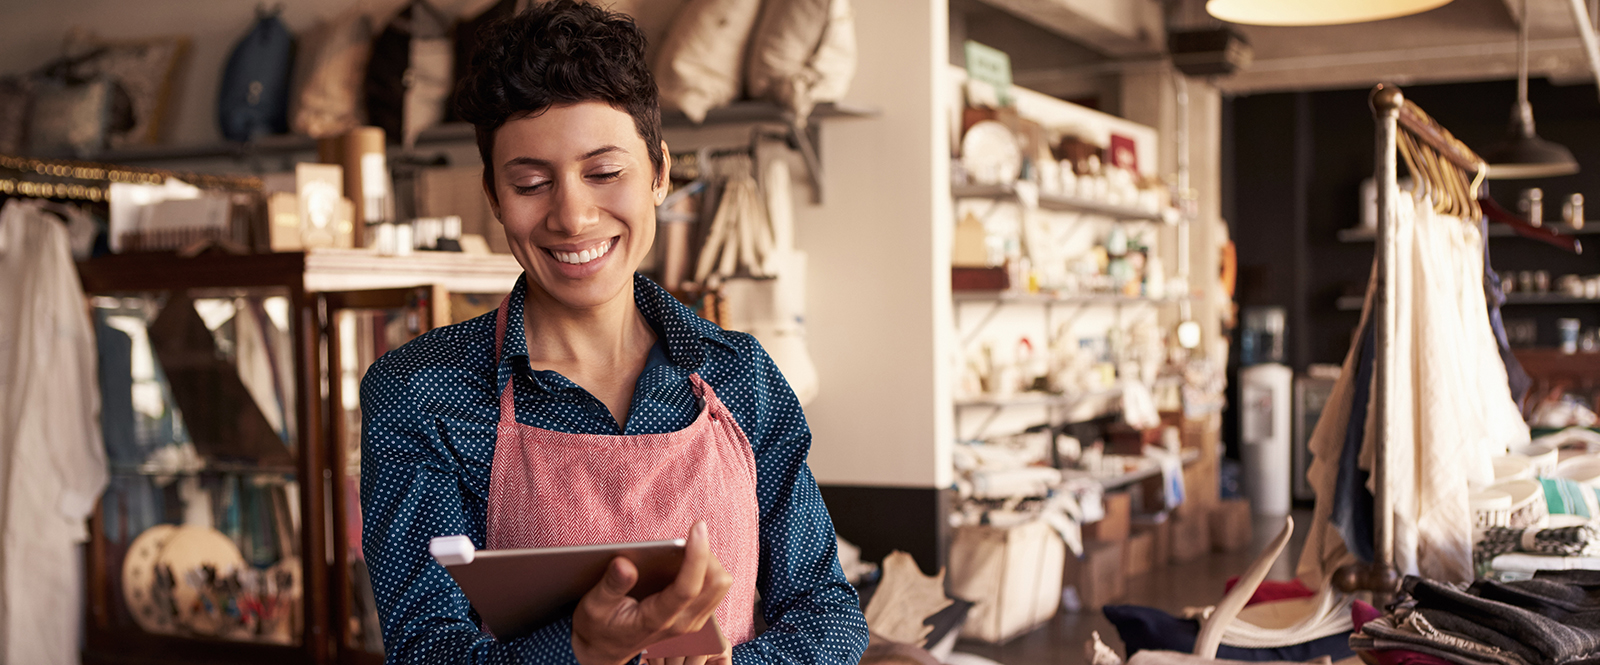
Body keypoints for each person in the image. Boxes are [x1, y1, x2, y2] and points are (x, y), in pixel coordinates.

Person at [358, 2, 870, 664]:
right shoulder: (419, 393)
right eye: (531, 182)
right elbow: (428, 651)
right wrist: (578, 648)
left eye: (604, 173)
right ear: (492, 194)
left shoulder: (742, 377)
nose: (572, 216)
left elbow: (827, 612)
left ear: (659, 172)